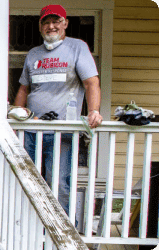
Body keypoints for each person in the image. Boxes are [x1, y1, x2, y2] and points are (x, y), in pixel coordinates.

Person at [13, 4, 103, 211]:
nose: (51, 26)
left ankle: (61, 237)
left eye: (56, 21)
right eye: (46, 22)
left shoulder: (77, 47)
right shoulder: (34, 54)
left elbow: (91, 83)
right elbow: (24, 89)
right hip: (31, 129)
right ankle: (32, 231)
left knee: (59, 182)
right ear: (40, 26)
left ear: (65, 23)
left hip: (62, 130)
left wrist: (93, 111)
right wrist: (15, 117)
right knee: (27, 182)